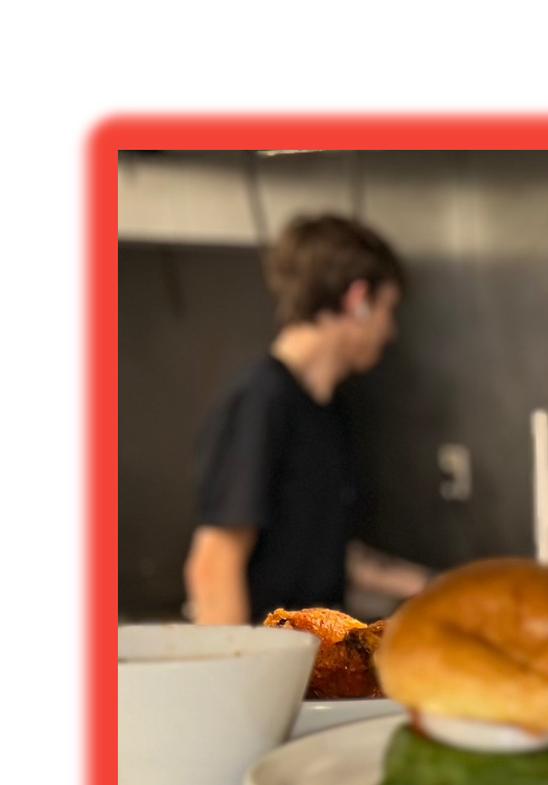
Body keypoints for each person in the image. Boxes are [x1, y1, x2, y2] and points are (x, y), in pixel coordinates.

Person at [183, 213, 432, 626]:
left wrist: (435, 584)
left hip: (310, 670)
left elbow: (326, 551)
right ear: (359, 300)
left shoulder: (325, 409)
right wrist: (248, 682)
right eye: (389, 309)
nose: (390, 331)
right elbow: (212, 568)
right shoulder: (261, 401)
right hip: (269, 674)